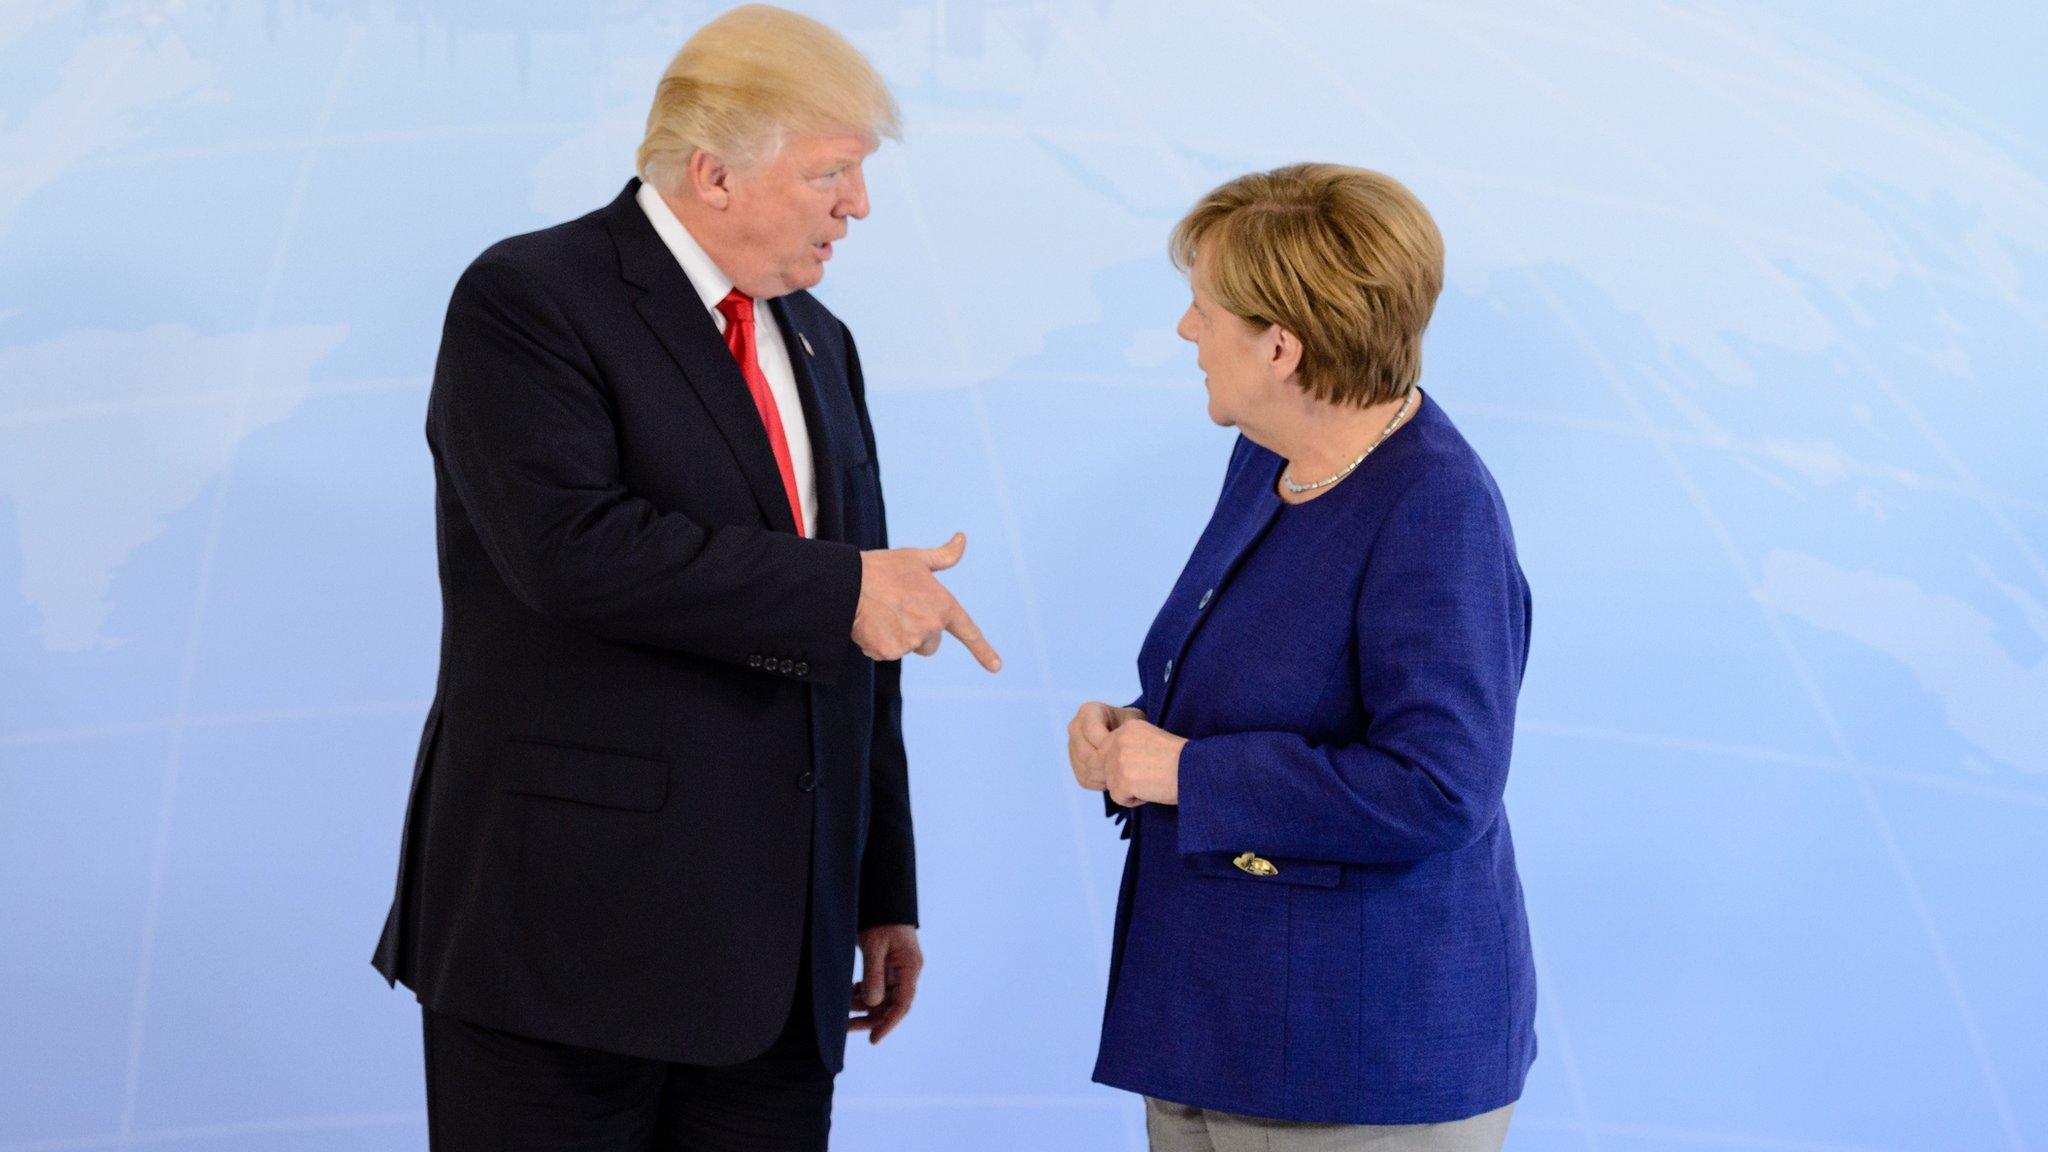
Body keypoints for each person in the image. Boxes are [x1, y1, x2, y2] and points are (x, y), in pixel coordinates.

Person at [370, 7, 1001, 1148]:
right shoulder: (529, 299)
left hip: (777, 966)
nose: (855, 205)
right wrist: (840, 593)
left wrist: (877, 890)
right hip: (568, 952)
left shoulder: (818, 338)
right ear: (713, 173)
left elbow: (864, 622)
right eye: (832, 174)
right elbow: (569, 550)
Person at [1067, 163, 1535, 1151]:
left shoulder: (1435, 510)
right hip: (1213, 1022)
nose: (1186, 333)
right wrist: (1133, 739)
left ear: (1280, 347)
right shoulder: (1269, 458)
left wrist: (1184, 770)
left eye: (1202, 311)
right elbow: (1265, 692)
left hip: (1353, 1059)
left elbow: (1439, 789)